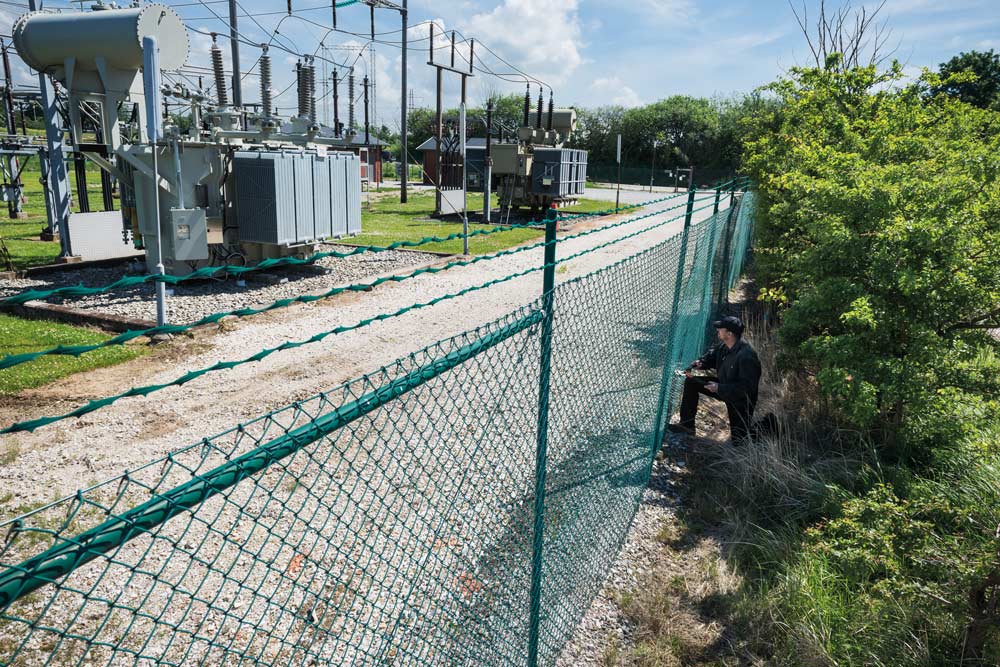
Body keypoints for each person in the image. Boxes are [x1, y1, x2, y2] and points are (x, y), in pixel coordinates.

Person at [669, 315, 761, 443]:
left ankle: (769, 426)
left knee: (740, 441)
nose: (717, 330)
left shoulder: (747, 356)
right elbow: (711, 355)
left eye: (720, 328)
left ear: (729, 334)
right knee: (691, 382)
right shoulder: (724, 346)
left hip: (740, 400)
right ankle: (686, 426)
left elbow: (747, 388)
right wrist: (701, 362)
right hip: (723, 386)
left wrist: (719, 388)